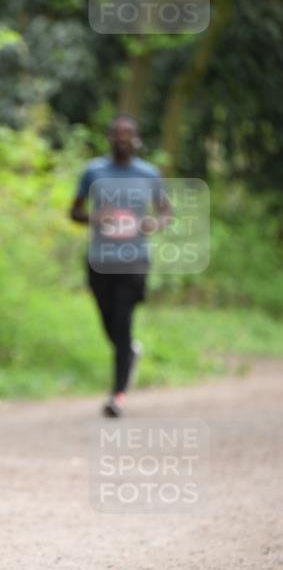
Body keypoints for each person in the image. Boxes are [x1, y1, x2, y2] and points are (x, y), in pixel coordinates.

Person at [70, 114, 171, 417]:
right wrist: (96, 218)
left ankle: (118, 394)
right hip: (100, 260)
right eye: (117, 135)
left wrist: (155, 222)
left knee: (124, 321)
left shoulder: (149, 174)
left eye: (128, 135)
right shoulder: (93, 171)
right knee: (109, 323)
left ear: (136, 139)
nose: (122, 140)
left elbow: (166, 212)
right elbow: (74, 212)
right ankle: (129, 353)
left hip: (134, 261)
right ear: (110, 138)